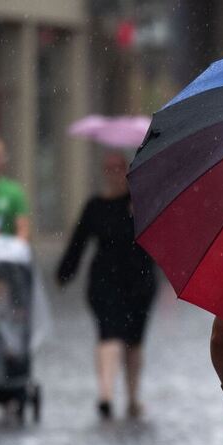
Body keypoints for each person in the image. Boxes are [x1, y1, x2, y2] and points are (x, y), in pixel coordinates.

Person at [57, 152, 158, 420]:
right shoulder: (95, 206)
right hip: (105, 281)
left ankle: (133, 397)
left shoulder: (142, 201)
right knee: (109, 334)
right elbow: (77, 243)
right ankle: (106, 395)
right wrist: (64, 273)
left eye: (118, 169)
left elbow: (162, 236)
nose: (114, 174)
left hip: (140, 281)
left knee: (134, 341)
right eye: (109, 168)